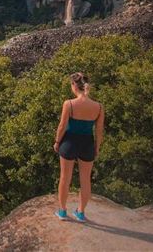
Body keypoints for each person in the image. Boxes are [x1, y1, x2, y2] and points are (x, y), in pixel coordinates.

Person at [53, 72, 104, 223]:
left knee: (65, 178)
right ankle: (81, 213)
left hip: (69, 142)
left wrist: (57, 142)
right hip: (87, 143)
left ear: (75, 86)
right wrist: (97, 147)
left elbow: (62, 126)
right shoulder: (99, 107)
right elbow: (99, 131)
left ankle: (62, 211)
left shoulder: (69, 104)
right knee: (85, 180)